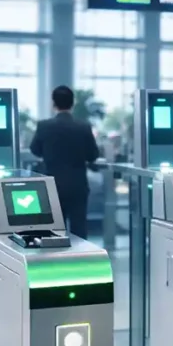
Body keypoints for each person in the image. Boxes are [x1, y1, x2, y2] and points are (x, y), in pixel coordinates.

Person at [30, 85, 100, 239]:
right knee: (79, 229)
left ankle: (57, 253)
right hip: (77, 185)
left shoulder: (44, 126)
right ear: (72, 103)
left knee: (55, 231)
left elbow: (35, 149)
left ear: (53, 104)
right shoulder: (83, 127)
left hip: (52, 185)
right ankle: (81, 254)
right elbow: (93, 155)